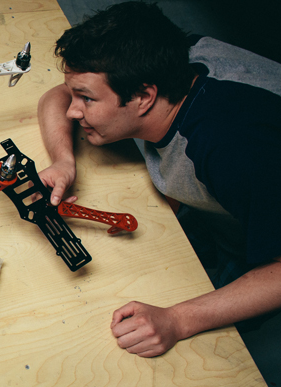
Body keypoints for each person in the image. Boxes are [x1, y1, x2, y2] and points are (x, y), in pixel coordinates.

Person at [37, 1, 281, 358]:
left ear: (144, 97)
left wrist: (178, 320)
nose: (74, 110)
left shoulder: (232, 150)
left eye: (86, 99)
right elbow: (55, 97)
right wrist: (64, 161)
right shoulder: (173, 54)